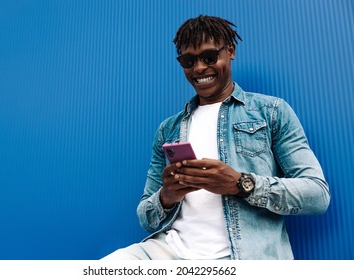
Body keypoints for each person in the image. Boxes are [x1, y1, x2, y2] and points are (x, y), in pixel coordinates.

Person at [102, 15, 330, 260]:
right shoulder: (168, 129)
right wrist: (167, 196)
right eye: (188, 61)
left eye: (209, 57)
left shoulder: (271, 112)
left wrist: (241, 184)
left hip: (244, 257)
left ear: (230, 51)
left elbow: (317, 195)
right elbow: (145, 217)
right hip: (168, 252)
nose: (199, 68)